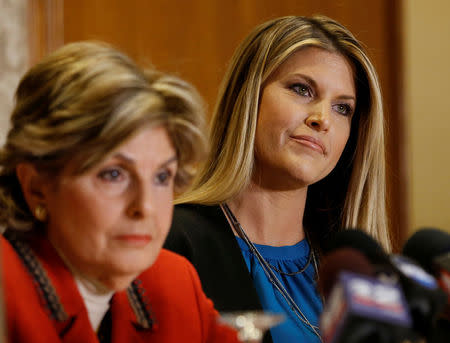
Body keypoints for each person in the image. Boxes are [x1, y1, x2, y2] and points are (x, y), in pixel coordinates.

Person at [165, 15, 390, 343]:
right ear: (248, 96)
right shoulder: (175, 243)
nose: (322, 119)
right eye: (302, 89)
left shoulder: (352, 270)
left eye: (343, 108)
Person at [0, 41, 239, 343]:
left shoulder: (172, 282)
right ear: (37, 187)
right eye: (113, 174)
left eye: (162, 176)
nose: (145, 207)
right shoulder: (6, 287)